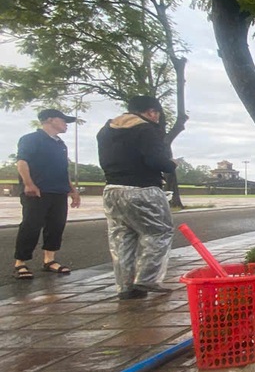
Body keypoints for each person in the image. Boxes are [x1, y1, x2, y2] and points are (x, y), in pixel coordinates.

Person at [96, 95, 177, 300]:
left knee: (122, 237)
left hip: (112, 190)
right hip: (143, 190)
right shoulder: (147, 130)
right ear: (151, 112)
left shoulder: (105, 131)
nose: (157, 118)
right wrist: (171, 164)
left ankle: (125, 286)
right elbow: (156, 161)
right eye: (157, 113)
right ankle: (146, 279)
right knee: (159, 232)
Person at [12, 109, 82, 280]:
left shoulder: (60, 144)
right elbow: (21, 162)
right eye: (63, 120)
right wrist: (29, 183)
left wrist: (72, 190)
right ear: (49, 120)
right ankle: (21, 262)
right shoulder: (31, 139)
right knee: (31, 225)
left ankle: (49, 260)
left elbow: (63, 170)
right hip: (37, 190)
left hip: (58, 191)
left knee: (56, 225)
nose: (66, 124)